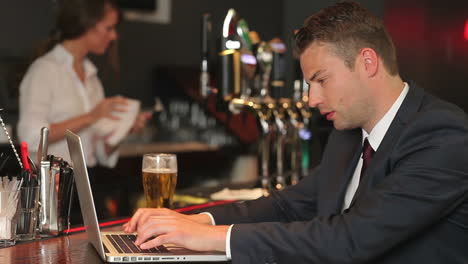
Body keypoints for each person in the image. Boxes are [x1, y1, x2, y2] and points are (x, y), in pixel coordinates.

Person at [123, 1, 468, 263]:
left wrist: (212, 238)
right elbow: (289, 206)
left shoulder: (443, 136)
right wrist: (196, 220)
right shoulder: (348, 135)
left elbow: (351, 239)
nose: (312, 99)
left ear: (367, 62)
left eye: (321, 80)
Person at [18, 0, 150, 219]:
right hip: (53, 191)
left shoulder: (91, 77)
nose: (114, 36)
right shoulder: (44, 70)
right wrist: (91, 116)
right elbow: (31, 137)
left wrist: (123, 130)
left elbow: (98, 152)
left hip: (87, 185)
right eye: (109, 28)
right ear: (87, 25)